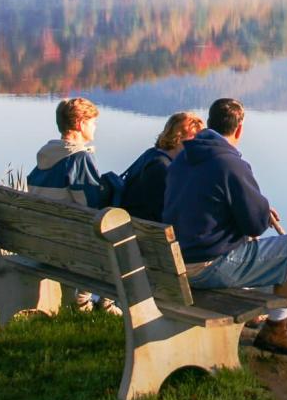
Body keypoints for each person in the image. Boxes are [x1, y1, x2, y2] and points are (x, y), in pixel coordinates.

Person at [163, 98, 287, 355]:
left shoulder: (182, 158)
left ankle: (261, 319)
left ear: (209, 124)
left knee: (246, 243)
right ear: (239, 129)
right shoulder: (230, 164)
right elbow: (254, 225)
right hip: (204, 268)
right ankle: (277, 328)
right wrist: (263, 211)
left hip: (172, 261)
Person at [26, 97, 120, 315]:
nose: (95, 127)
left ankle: (85, 301)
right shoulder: (78, 158)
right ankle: (96, 302)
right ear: (80, 124)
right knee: (117, 234)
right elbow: (93, 208)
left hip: (40, 239)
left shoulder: (46, 156)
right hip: (69, 245)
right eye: (93, 122)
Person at [118, 111, 204, 220]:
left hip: (133, 224)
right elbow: (162, 211)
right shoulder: (161, 167)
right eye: (194, 140)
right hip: (143, 231)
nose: (198, 146)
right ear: (178, 138)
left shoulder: (151, 153)